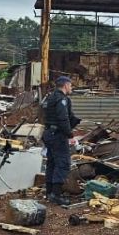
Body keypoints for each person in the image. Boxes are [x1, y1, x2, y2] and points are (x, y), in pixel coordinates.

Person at [42, 75, 80, 205]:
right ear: (65, 85)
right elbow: (63, 118)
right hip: (57, 135)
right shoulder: (61, 99)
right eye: (70, 85)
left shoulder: (51, 97)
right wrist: (70, 135)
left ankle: (49, 193)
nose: (71, 87)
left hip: (48, 133)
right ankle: (56, 195)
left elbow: (63, 116)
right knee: (63, 163)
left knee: (52, 163)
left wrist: (75, 121)